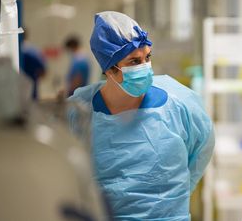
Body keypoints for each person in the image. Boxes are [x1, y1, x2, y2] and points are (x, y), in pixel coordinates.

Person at [68, 11, 214, 220]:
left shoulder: (179, 104)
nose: (145, 67)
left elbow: (201, 149)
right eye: (134, 62)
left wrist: (174, 197)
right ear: (110, 69)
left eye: (147, 57)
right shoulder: (80, 113)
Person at [20, 30, 46, 100]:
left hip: (17, 91)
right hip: (32, 91)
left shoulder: (17, 50)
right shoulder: (33, 51)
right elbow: (43, 71)